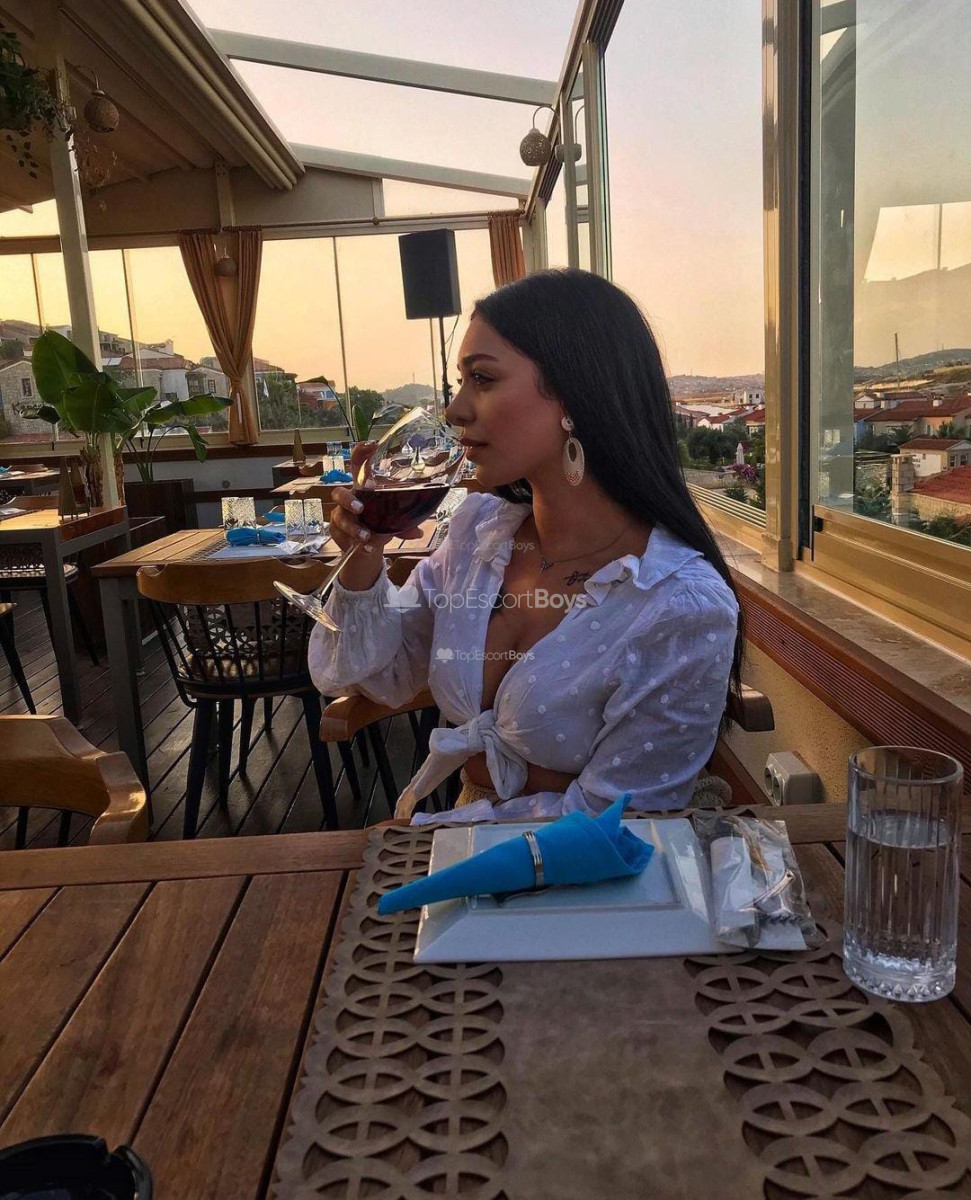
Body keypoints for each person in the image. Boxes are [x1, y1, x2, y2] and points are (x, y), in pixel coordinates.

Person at [309, 269, 743, 819]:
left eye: (482, 379)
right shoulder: (479, 533)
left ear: (574, 395)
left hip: (577, 864)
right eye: (460, 382)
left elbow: (607, 826)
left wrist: (473, 794)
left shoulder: (678, 605)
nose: (454, 410)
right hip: (462, 831)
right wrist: (364, 556)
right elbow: (381, 674)